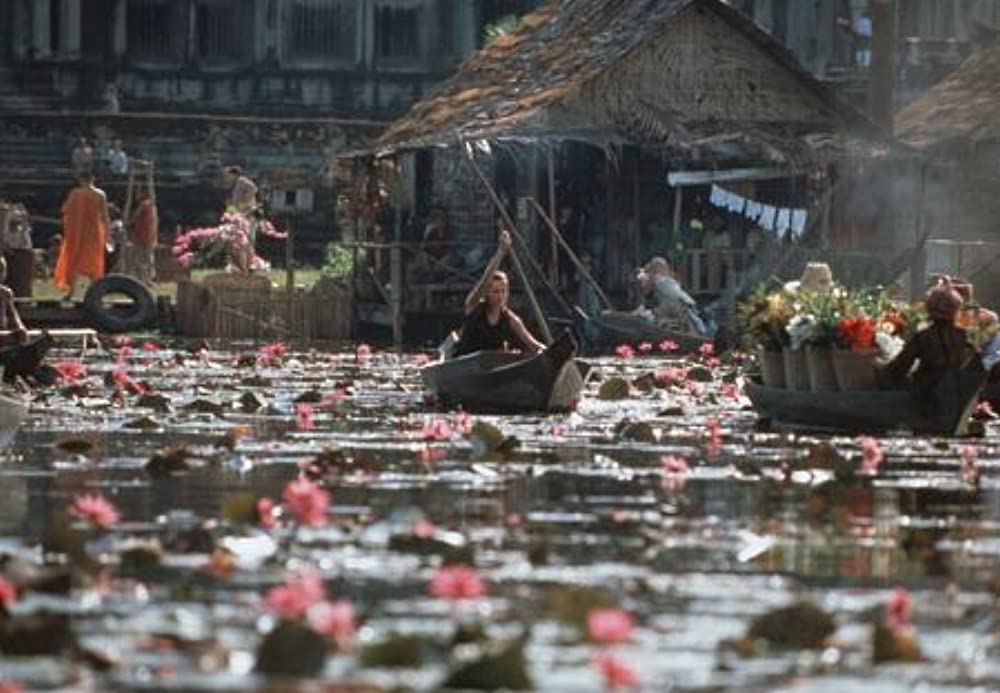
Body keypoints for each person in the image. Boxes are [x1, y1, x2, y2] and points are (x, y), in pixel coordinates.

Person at [881, 284, 978, 416]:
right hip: (956, 397)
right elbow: (974, 367)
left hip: (926, 397)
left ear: (929, 309)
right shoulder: (964, 336)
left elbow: (898, 368)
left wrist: (880, 368)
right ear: (956, 310)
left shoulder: (923, 337)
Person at [452, 230, 545, 357]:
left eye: (503, 291)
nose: (500, 296)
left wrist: (551, 353)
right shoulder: (474, 307)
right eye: (495, 291)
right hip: (466, 364)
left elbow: (534, 345)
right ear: (487, 293)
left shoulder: (511, 319)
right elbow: (485, 279)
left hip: (492, 367)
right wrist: (500, 252)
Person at [54, 173, 110, 300]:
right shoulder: (100, 194)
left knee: (74, 260)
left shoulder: (76, 193)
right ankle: (97, 293)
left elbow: (65, 211)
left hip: (79, 234)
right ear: (93, 179)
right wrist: (108, 233)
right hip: (94, 233)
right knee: (94, 263)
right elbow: (105, 216)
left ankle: (72, 292)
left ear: (80, 180)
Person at [636, 256, 710, 335]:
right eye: (655, 267)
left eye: (658, 267)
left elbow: (677, 294)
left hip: (678, 307)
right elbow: (647, 294)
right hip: (671, 309)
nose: (656, 269)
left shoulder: (663, 280)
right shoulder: (657, 279)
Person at [125, 182, 158, 284]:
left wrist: (127, 222)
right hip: (150, 236)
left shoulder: (144, 204)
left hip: (142, 237)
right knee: (148, 258)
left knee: (139, 259)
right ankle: (147, 278)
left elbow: (135, 217)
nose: (136, 194)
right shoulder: (152, 205)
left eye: (138, 192)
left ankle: (142, 278)